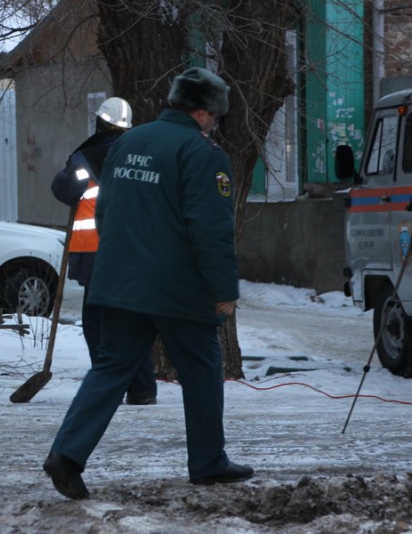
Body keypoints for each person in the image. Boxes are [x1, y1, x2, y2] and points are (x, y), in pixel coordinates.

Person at [42, 67, 254, 499]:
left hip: (119, 278)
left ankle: (66, 455)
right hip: (176, 286)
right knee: (201, 367)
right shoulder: (202, 153)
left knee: (111, 367)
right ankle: (209, 462)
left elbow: (105, 213)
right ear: (201, 112)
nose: (215, 122)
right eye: (214, 115)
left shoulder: (127, 143)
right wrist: (224, 290)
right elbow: (210, 229)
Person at [51, 97, 158, 405]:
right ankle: (142, 389)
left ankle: (108, 384)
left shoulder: (85, 158)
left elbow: (62, 190)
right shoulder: (141, 156)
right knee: (132, 321)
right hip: (135, 252)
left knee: (97, 324)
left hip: (95, 254)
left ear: (99, 123)